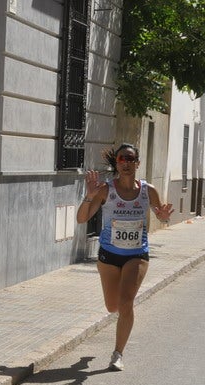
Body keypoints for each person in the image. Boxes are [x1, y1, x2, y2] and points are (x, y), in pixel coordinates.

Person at [76, 143, 174, 371]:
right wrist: (89, 197)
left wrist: (163, 216)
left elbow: (162, 216)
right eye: (122, 159)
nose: (127, 163)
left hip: (137, 254)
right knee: (112, 307)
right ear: (117, 163)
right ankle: (112, 339)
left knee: (126, 302)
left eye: (131, 159)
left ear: (138, 163)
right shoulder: (105, 190)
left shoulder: (148, 191)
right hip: (109, 255)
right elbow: (82, 219)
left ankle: (117, 353)